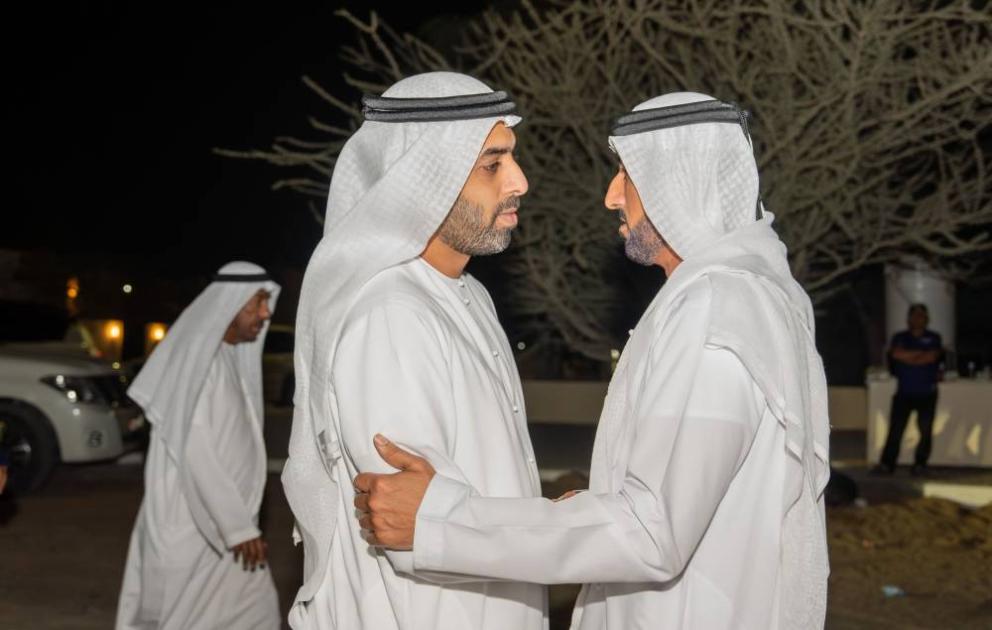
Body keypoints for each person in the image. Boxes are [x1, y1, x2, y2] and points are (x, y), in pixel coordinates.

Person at [355, 92, 832, 629]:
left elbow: (652, 531)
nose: (611, 197)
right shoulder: (740, 296)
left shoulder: (715, 311)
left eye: (628, 174)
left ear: (681, 182)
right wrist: (592, 509)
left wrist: (440, 522)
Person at [280, 72, 546, 630]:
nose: (519, 181)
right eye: (492, 165)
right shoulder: (391, 313)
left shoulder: (467, 295)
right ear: (425, 180)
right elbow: (417, 530)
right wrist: (568, 532)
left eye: (512, 159)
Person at [116, 261, 281, 630]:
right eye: (257, 302)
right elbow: (197, 452)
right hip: (194, 526)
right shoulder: (196, 363)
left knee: (257, 614)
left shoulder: (226, 357)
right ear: (230, 303)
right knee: (182, 620)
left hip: (229, 531)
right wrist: (237, 527)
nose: (265, 313)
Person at [874, 303, 943, 476]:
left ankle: (920, 464)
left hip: (927, 393)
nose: (918, 319)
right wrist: (920, 355)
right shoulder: (900, 337)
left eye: (922, 316)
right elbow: (896, 354)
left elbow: (932, 356)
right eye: (915, 315)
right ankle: (887, 465)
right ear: (909, 319)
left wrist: (908, 356)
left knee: (925, 432)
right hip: (904, 392)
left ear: (926, 319)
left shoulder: (934, 337)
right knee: (895, 430)